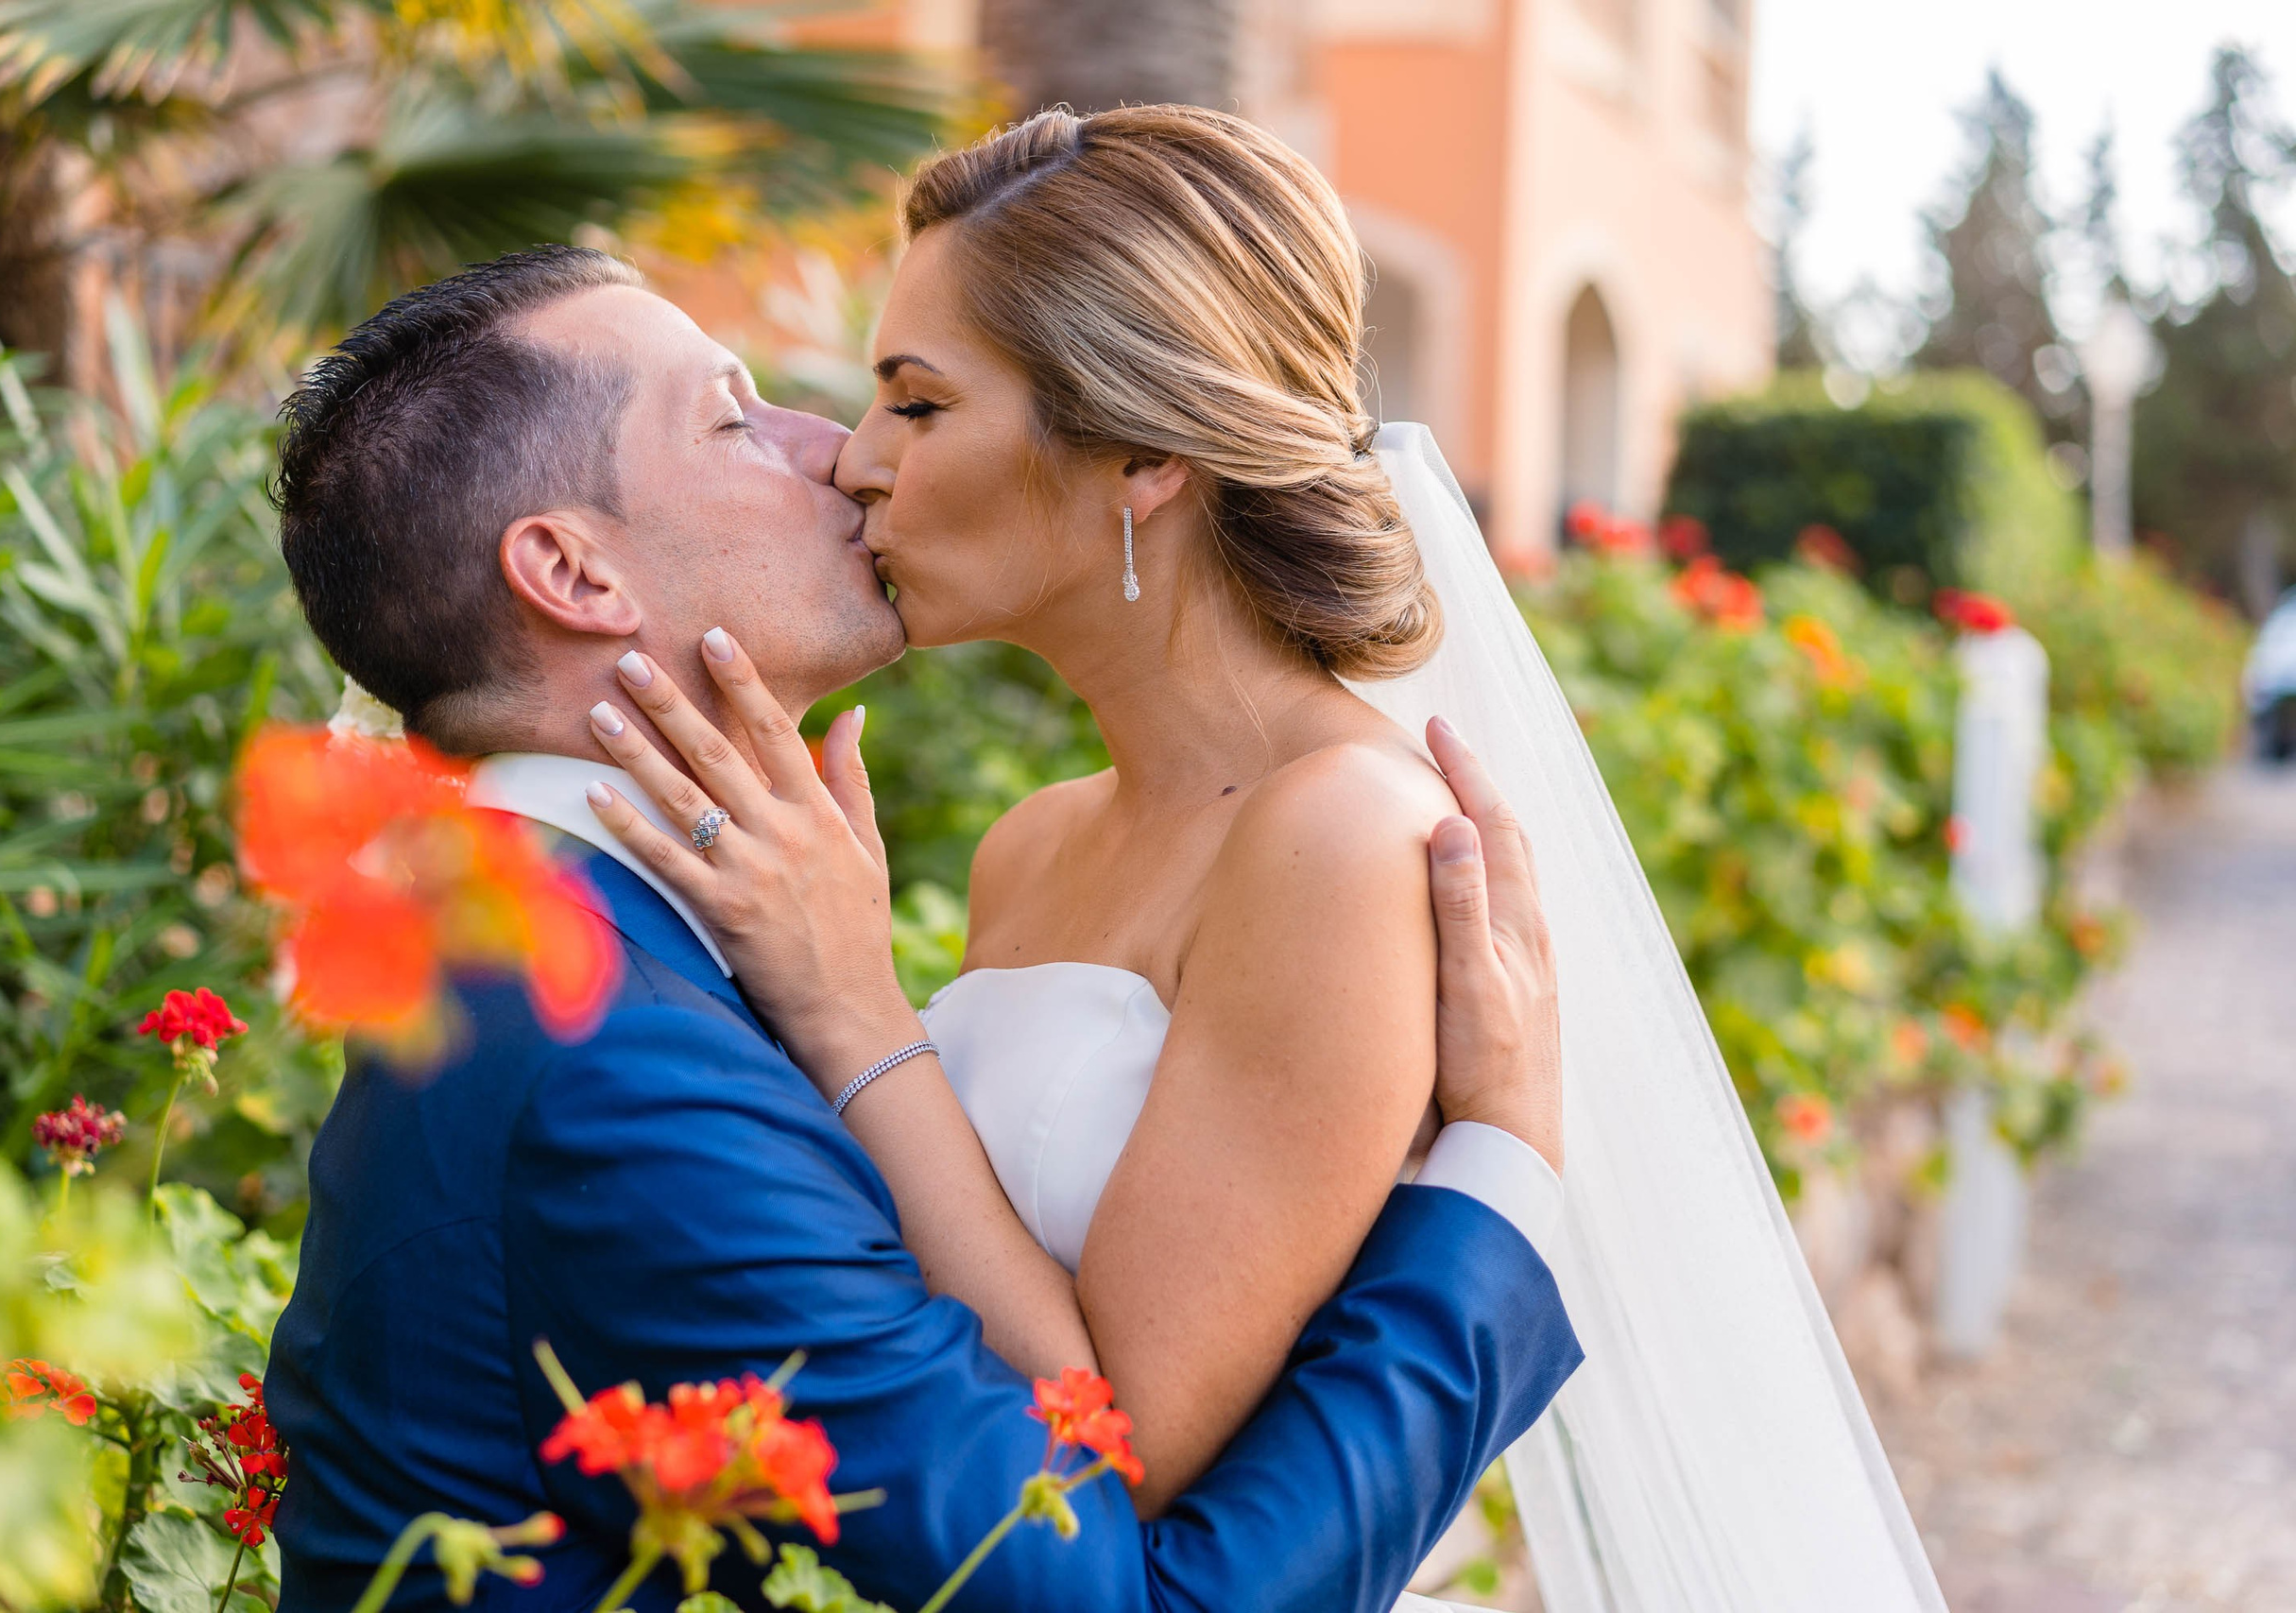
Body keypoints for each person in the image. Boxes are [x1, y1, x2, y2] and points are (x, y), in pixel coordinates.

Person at [582, 108, 1952, 1613]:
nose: (853, 463)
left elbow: (1118, 1452)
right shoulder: (1036, 845)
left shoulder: (1345, 838)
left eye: (917, 405)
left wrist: (852, 1001)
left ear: (1145, 452)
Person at [265, 236, 1579, 1612]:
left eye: (916, 404)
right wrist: (1503, 1183)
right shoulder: (613, 1062)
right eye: (733, 415)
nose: (836, 450)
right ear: (576, 576)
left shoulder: (571, 954)